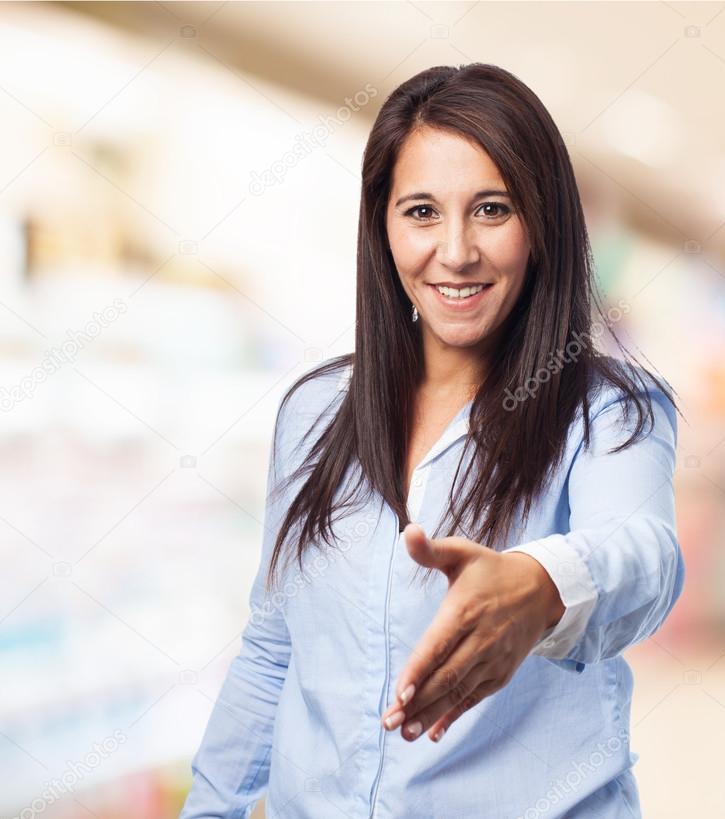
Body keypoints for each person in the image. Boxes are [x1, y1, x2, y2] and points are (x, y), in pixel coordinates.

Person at [179, 62, 685, 819]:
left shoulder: (609, 408)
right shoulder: (317, 412)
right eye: (421, 211)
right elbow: (274, 646)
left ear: (542, 222)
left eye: (491, 209)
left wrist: (542, 585)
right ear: (381, 226)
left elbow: (646, 557)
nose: (455, 251)